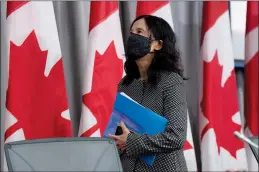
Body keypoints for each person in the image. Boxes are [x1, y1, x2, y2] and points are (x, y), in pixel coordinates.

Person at [108, 15, 188, 172]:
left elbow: (176, 137)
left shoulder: (171, 81)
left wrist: (130, 142)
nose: (133, 37)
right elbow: (119, 133)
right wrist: (116, 143)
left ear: (157, 45)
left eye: (139, 32)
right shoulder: (125, 85)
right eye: (132, 33)